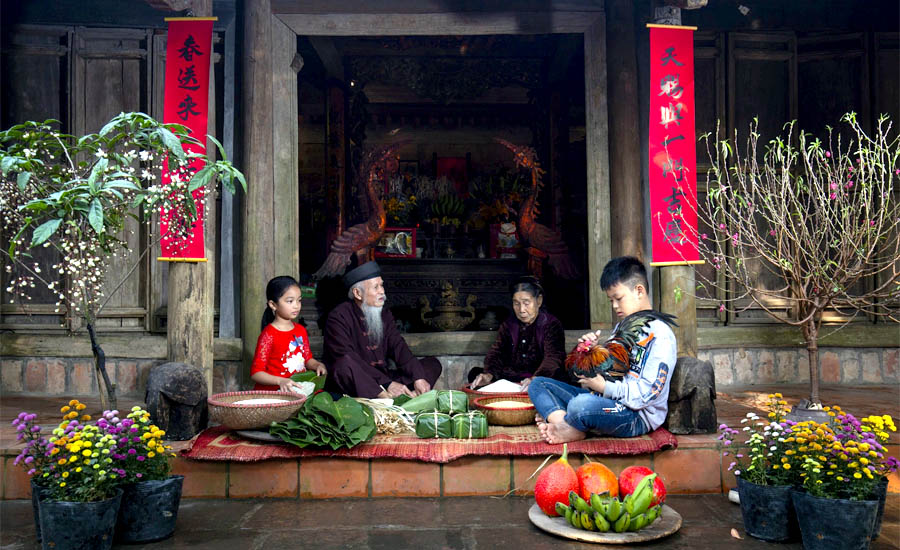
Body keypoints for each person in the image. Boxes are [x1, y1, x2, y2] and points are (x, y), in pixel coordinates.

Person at [527, 256, 677, 444]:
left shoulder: (660, 334)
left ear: (639, 291)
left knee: (580, 405)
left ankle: (565, 422)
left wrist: (605, 388)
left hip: (635, 415)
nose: (614, 306)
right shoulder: (622, 328)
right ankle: (569, 427)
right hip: (604, 400)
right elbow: (600, 378)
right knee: (538, 385)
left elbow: (648, 393)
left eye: (618, 298)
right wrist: (589, 352)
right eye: (610, 300)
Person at [323, 261, 442, 399]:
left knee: (432, 364)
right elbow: (348, 359)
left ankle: (406, 397)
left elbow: (398, 346)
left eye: (382, 285)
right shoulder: (339, 316)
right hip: (360, 382)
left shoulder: (384, 314)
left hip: (384, 378)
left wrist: (418, 377)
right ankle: (388, 399)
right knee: (344, 365)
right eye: (376, 287)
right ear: (357, 293)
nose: (382, 291)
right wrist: (387, 383)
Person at [468, 276, 566, 391]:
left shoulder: (551, 324)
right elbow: (497, 352)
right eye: (516, 304)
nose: (521, 309)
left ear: (538, 301)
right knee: (475, 375)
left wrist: (536, 378)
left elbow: (553, 357)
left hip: (539, 377)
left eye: (526, 303)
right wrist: (489, 374)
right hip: (512, 378)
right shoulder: (508, 324)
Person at [250, 276, 328, 392]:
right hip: (277, 393)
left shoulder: (300, 330)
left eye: (299, 300)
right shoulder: (269, 335)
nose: (296, 305)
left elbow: (307, 359)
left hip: (299, 389)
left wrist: (317, 365)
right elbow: (256, 373)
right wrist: (280, 381)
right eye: (290, 301)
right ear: (273, 305)